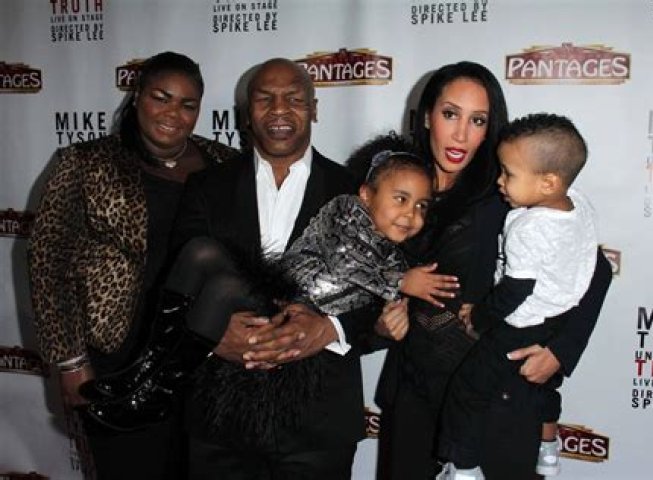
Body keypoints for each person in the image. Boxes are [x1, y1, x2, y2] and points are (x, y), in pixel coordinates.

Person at [80, 134, 459, 433]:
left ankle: (157, 387)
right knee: (200, 251)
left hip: (291, 328)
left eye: (421, 206)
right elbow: (351, 261)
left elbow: (374, 314)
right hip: (278, 291)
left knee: (222, 286)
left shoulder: (398, 261)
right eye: (401, 199)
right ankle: (146, 371)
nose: (410, 214)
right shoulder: (347, 211)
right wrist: (399, 282)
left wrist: (396, 310)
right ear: (366, 194)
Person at [169, 58, 419, 480]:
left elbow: (384, 299)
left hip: (318, 423)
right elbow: (178, 283)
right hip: (220, 421)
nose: (279, 110)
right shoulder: (206, 187)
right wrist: (209, 337)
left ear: (314, 109)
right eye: (265, 99)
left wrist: (331, 329)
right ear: (246, 115)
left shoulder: (356, 193)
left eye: (294, 99)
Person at [375, 61, 613, 480]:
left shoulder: (511, 191)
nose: (461, 134)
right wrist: (381, 316)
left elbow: (596, 268)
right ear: (427, 116)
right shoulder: (395, 183)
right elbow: (360, 269)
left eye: (478, 120)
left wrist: (562, 350)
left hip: (493, 393)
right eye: (450, 114)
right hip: (414, 391)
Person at [28, 51, 238, 480]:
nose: (173, 114)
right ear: (138, 95)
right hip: (116, 357)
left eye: (187, 104)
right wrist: (70, 361)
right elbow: (49, 261)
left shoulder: (225, 163)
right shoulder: (86, 162)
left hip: (205, 354)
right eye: (161, 97)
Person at [436, 113, 600, 479]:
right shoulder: (576, 204)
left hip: (519, 326)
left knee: (468, 389)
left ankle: (464, 468)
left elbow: (515, 290)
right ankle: (549, 448)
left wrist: (479, 318)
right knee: (546, 388)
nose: (500, 181)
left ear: (548, 182)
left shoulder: (527, 226)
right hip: (554, 318)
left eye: (508, 174)